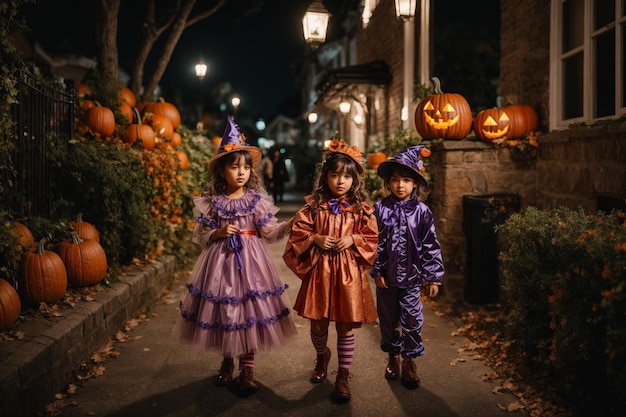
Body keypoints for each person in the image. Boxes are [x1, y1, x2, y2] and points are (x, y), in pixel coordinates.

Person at [173, 117, 297, 393]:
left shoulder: (255, 200)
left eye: (245, 167)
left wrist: (289, 225)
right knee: (227, 313)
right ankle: (228, 362)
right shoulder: (214, 203)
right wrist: (217, 233)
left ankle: (247, 369)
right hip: (221, 264)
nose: (240, 172)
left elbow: (269, 231)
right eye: (234, 166)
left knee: (249, 313)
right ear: (221, 171)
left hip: (252, 264)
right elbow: (200, 235)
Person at [283, 138, 378, 401]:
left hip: (348, 275)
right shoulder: (313, 206)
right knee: (318, 324)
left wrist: (354, 239)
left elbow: (371, 239)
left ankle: (343, 374)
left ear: (354, 180)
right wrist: (315, 238)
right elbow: (298, 233)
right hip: (321, 273)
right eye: (335, 175)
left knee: (345, 326)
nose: (340, 181)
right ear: (325, 176)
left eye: (346, 176)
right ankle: (322, 355)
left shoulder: (362, 210)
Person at [369, 145, 444, 388]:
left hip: (413, 278)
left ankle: (410, 361)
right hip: (387, 279)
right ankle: (393, 357)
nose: (400, 185)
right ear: (388, 183)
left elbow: (430, 244)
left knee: (412, 319)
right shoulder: (380, 209)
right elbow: (375, 242)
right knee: (389, 319)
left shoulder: (422, 212)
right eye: (395, 180)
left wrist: (433, 277)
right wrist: (377, 270)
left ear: (415, 184)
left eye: (406, 180)